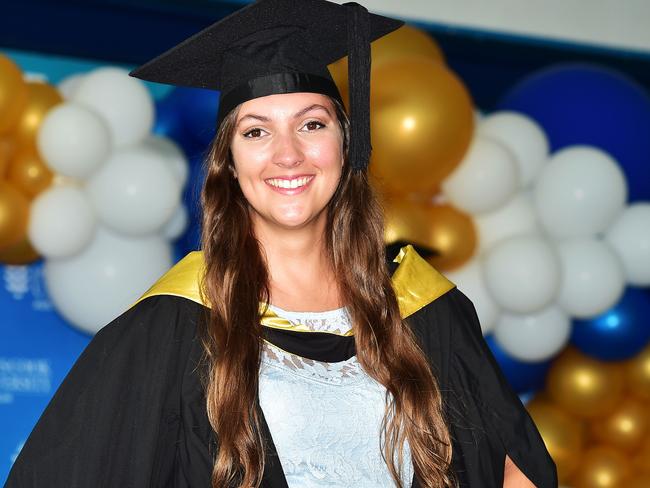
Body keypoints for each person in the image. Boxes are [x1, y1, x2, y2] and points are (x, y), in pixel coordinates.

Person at [5, 0, 557, 487]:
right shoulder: (172, 325)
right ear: (228, 162)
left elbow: (514, 469)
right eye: (256, 131)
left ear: (348, 144)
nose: (287, 155)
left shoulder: (424, 309)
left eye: (312, 125)